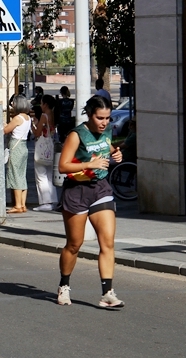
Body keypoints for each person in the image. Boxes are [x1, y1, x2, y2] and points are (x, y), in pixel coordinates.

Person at [57, 95, 125, 309]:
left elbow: (107, 147)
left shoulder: (106, 132)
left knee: (107, 242)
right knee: (74, 245)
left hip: (100, 189)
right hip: (77, 191)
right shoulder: (77, 135)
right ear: (89, 114)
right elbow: (63, 166)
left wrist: (117, 153)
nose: (104, 122)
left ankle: (107, 293)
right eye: (100, 118)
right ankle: (64, 285)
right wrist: (90, 163)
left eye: (108, 118)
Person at [4, 95, 33, 213]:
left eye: (14, 103)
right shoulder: (27, 118)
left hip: (16, 146)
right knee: (21, 175)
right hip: (23, 147)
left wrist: (2, 124)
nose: (12, 105)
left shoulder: (17, 118)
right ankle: (22, 205)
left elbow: (6, 130)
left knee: (15, 175)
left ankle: (17, 205)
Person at [31, 96, 57, 211]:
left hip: (42, 149)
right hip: (51, 148)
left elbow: (37, 133)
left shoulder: (44, 116)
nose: (41, 106)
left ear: (45, 104)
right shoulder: (53, 115)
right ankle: (53, 200)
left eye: (41, 103)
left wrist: (32, 124)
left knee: (41, 176)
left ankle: (45, 202)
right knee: (50, 176)